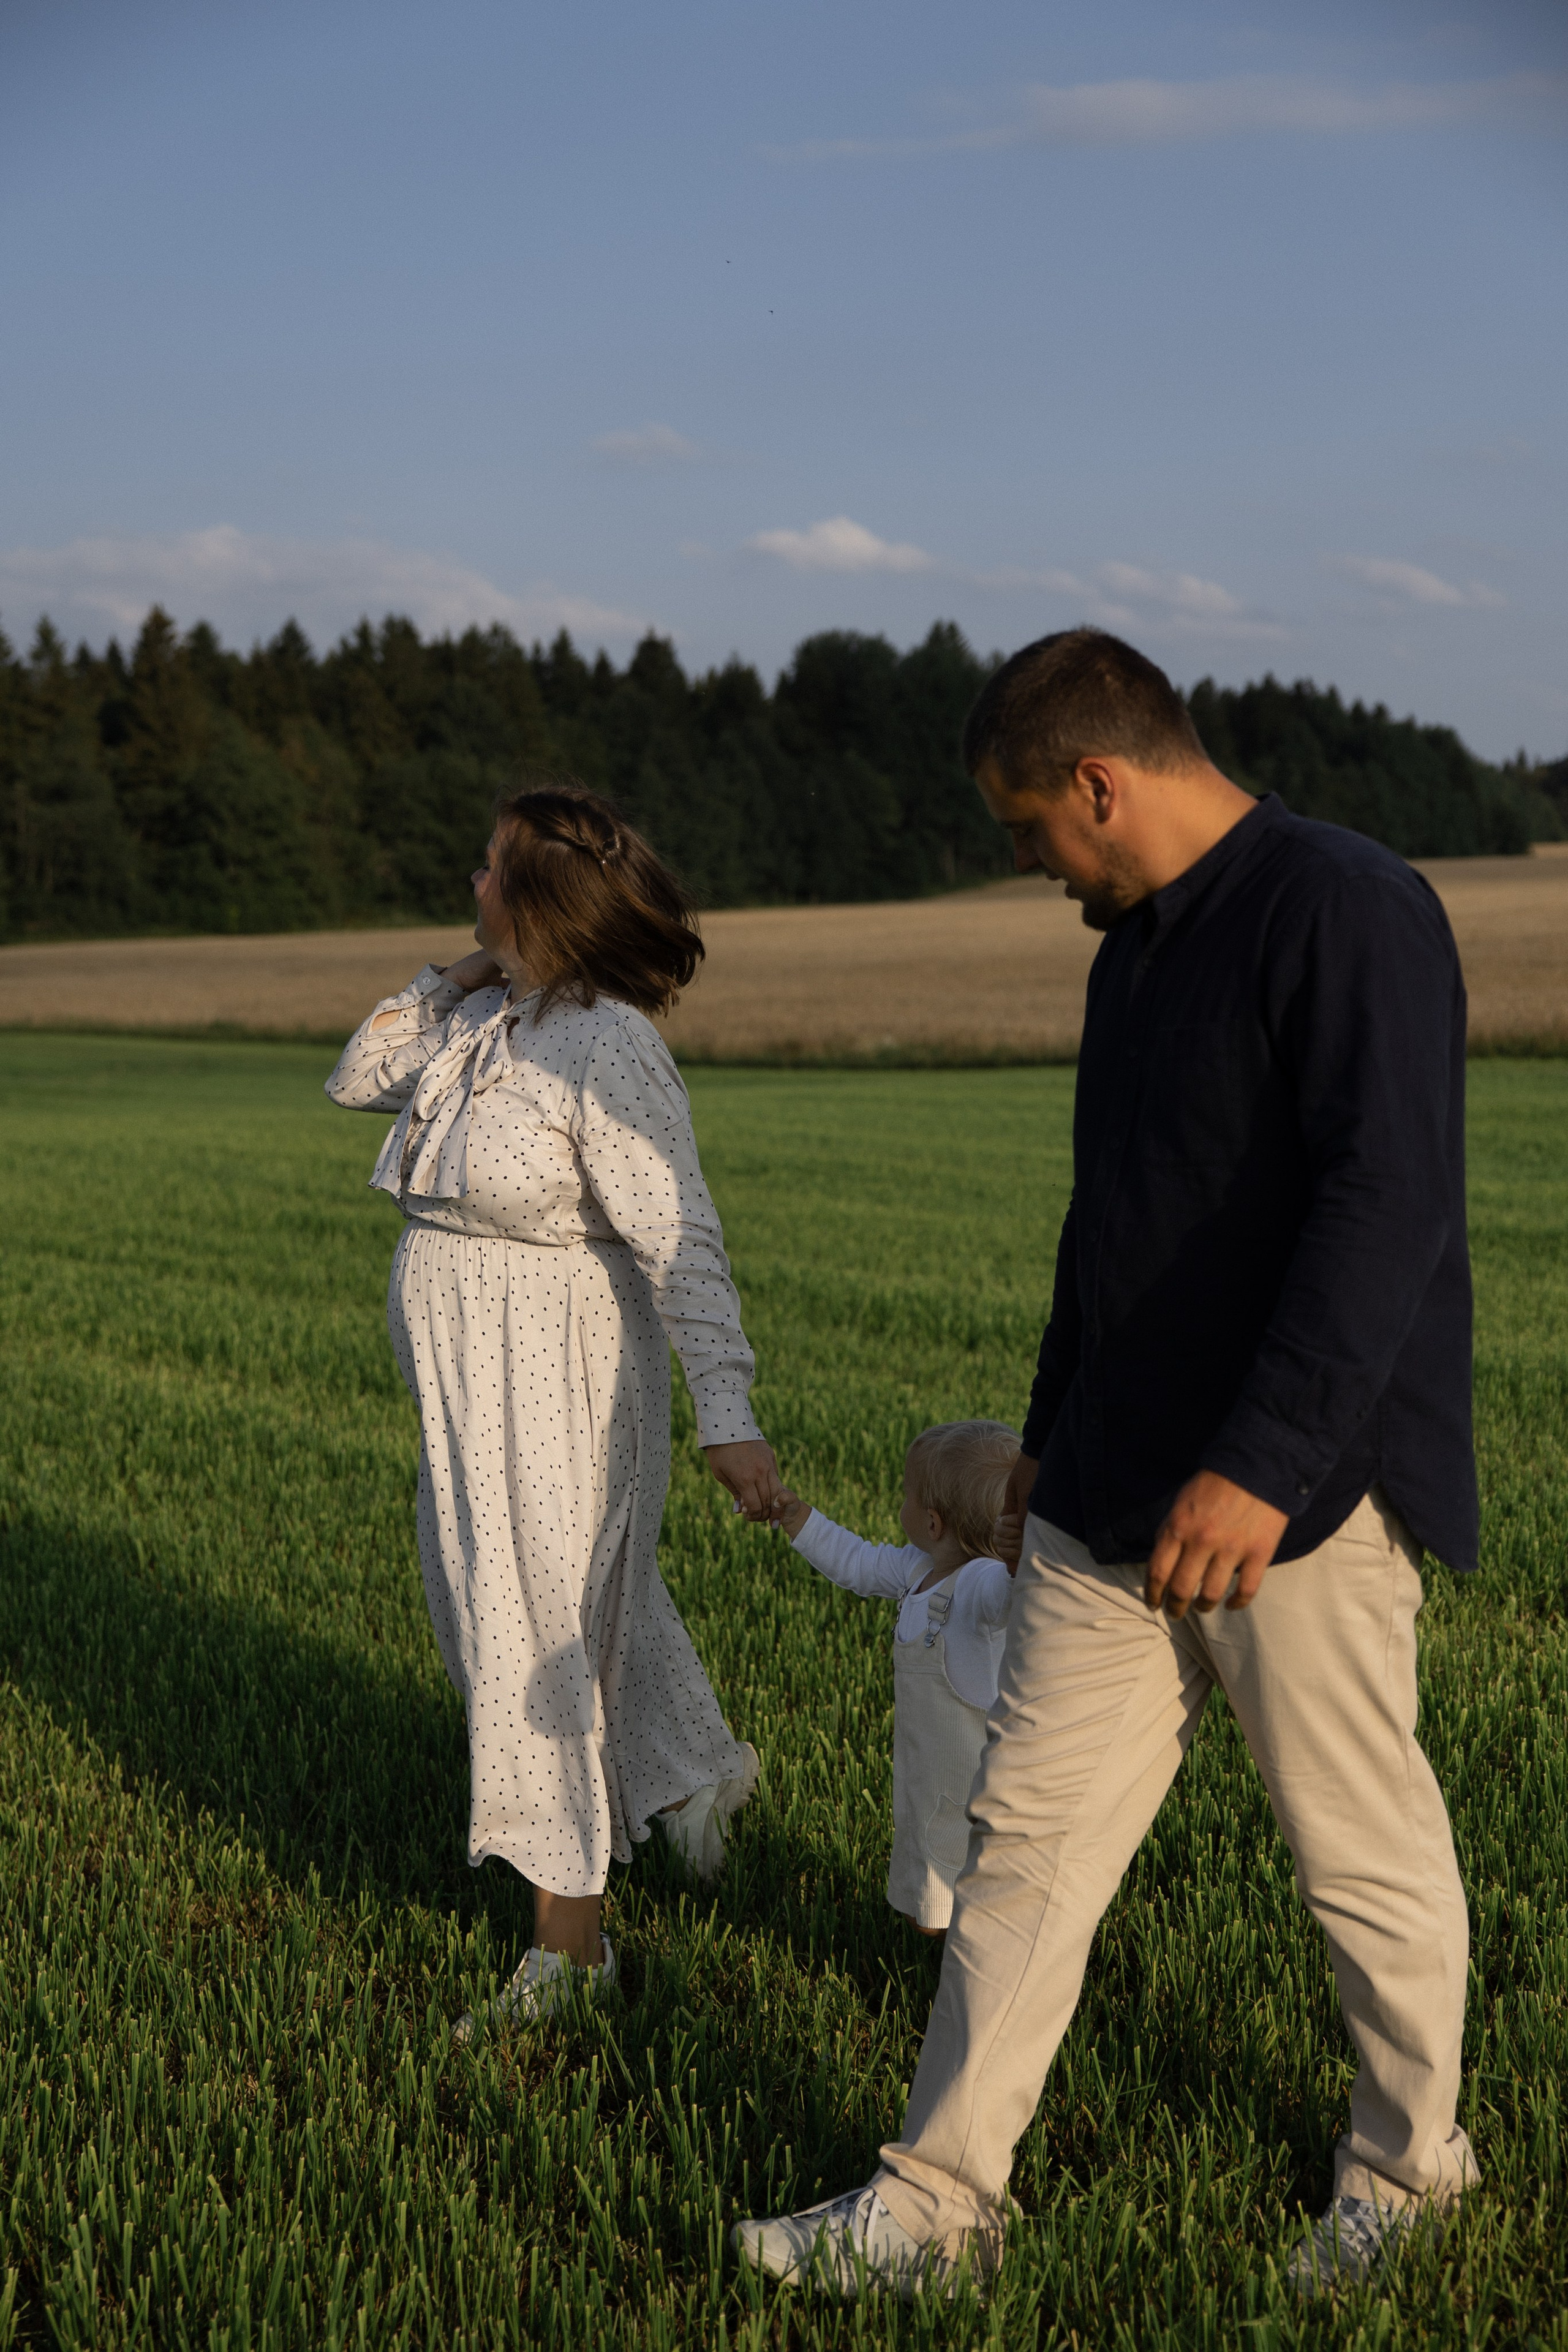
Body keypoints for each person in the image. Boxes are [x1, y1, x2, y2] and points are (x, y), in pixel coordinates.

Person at [734, 627, 1480, 2299]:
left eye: (1029, 831)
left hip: (1305, 1500)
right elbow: (1113, 1235)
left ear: (1101, 782)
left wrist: (1266, 1466)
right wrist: (1053, 1435)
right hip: (1104, 1501)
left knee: (1357, 1854)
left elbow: (1389, 1213)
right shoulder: (1130, 951)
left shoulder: (1347, 910)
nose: (1027, 868)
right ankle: (932, 2210)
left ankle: (1410, 2183)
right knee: (1026, 1851)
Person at [326, 782, 783, 2034]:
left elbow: (679, 1238)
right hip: (464, 1384)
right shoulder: (485, 1021)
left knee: (529, 1641)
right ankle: (698, 1780)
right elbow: (355, 1072)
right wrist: (476, 962)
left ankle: (570, 1958)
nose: (471, 883)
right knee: (560, 1606)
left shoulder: (607, 1044)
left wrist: (725, 1411)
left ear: (544, 897)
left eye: (492, 872)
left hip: (563, 1376)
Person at [771, 1421, 1019, 1936]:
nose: (898, 1502)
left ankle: (974, 1949)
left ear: (933, 1522)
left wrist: (1020, 1561)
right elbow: (858, 1562)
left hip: (970, 1781)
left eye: (905, 1495)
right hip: (925, 1772)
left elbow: (1013, 1594)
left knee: (957, 1887)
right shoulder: (916, 1569)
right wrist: (799, 1520)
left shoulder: (979, 1585)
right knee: (925, 1874)